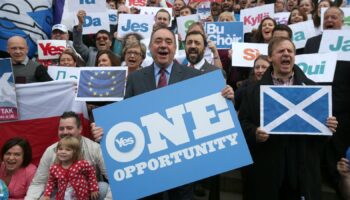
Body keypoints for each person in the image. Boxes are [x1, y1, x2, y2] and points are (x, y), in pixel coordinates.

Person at [92, 27, 234, 200]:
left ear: (175, 48)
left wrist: (227, 98)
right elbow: (123, 118)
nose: (163, 45)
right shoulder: (135, 78)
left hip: (183, 169)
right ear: (150, 47)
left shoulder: (194, 77)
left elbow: (213, 113)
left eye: (168, 42)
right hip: (148, 169)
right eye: (158, 41)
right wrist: (104, 130)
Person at [239, 37, 338, 200]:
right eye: (281, 51)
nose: (286, 54)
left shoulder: (314, 90)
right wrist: (254, 132)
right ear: (270, 57)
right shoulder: (252, 91)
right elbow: (242, 123)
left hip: (301, 172)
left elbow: (320, 139)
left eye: (290, 51)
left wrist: (328, 127)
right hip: (266, 170)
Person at [304, 6, 350, 193]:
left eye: (334, 17)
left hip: (344, 105)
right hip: (316, 103)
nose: (329, 20)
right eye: (327, 17)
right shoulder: (312, 42)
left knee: (337, 147)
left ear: (342, 21)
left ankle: (337, 183)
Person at [25, 111, 109, 200]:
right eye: (61, 128)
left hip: (87, 193)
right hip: (61, 195)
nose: (65, 132)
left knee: (104, 187)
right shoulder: (50, 151)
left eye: (69, 128)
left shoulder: (94, 148)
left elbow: (111, 178)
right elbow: (39, 182)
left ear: (80, 129)